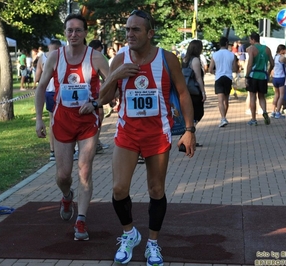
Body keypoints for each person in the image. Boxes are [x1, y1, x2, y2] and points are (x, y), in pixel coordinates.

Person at [94, 9, 196, 266]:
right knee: (119, 189)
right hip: (127, 133)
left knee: (156, 189)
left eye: (135, 30)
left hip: (157, 134)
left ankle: (152, 243)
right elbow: (102, 99)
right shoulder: (119, 59)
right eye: (127, 29)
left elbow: (183, 94)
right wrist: (114, 77)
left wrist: (189, 130)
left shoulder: (167, 59)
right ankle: (130, 234)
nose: (129, 34)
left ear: (149, 33)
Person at [34, 14, 109, 240]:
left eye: (78, 30)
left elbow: (112, 85)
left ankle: (81, 220)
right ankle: (67, 195)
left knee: (84, 170)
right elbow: (40, 88)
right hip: (63, 121)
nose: (74, 34)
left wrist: (96, 103)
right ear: (65, 33)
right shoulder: (55, 58)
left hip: (88, 122)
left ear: (86, 33)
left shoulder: (96, 57)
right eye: (70, 30)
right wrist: (39, 118)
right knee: (63, 175)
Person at [34, 39, 62, 161]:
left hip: (49, 91)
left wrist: (36, 85)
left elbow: (37, 76)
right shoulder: (62, 56)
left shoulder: (43, 58)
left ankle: (53, 150)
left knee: (52, 121)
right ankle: (70, 148)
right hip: (59, 91)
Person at [245, 32, 274, 126]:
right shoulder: (267, 49)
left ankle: (253, 119)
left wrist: (246, 76)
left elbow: (250, 64)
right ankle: (264, 112)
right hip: (263, 75)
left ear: (253, 39)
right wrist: (268, 72)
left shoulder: (252, 49)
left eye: (250, 40)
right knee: (262, 96)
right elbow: (272, 63)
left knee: (252, 97)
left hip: (253, 75)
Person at [209, 36, 238, 128]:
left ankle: (223, 118)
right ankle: (224, 117)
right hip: (228, 78)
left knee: (220, 100)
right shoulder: (231, 55)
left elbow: (210, 69)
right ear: (226, 44)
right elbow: (235, 68)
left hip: (219, 78)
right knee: (226, 100)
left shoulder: (215, 54)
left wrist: (216, 72)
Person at [181, 40, 207, 127]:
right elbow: (198, 77)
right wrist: (203, 92)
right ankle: (188, 134)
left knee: (189, 115)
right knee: (198, 113)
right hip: (194, 91)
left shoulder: (185, 59)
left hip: (186, 90)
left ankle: (187, 135)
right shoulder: (195, 60)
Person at [270, 44, 286, 119]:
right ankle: (278, 112)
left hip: (275, 78)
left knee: (276, 95)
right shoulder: (282, 58)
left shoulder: (275, 57)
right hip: (281, 78)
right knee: (282, 95)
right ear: (282, 50)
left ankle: (273, 111)